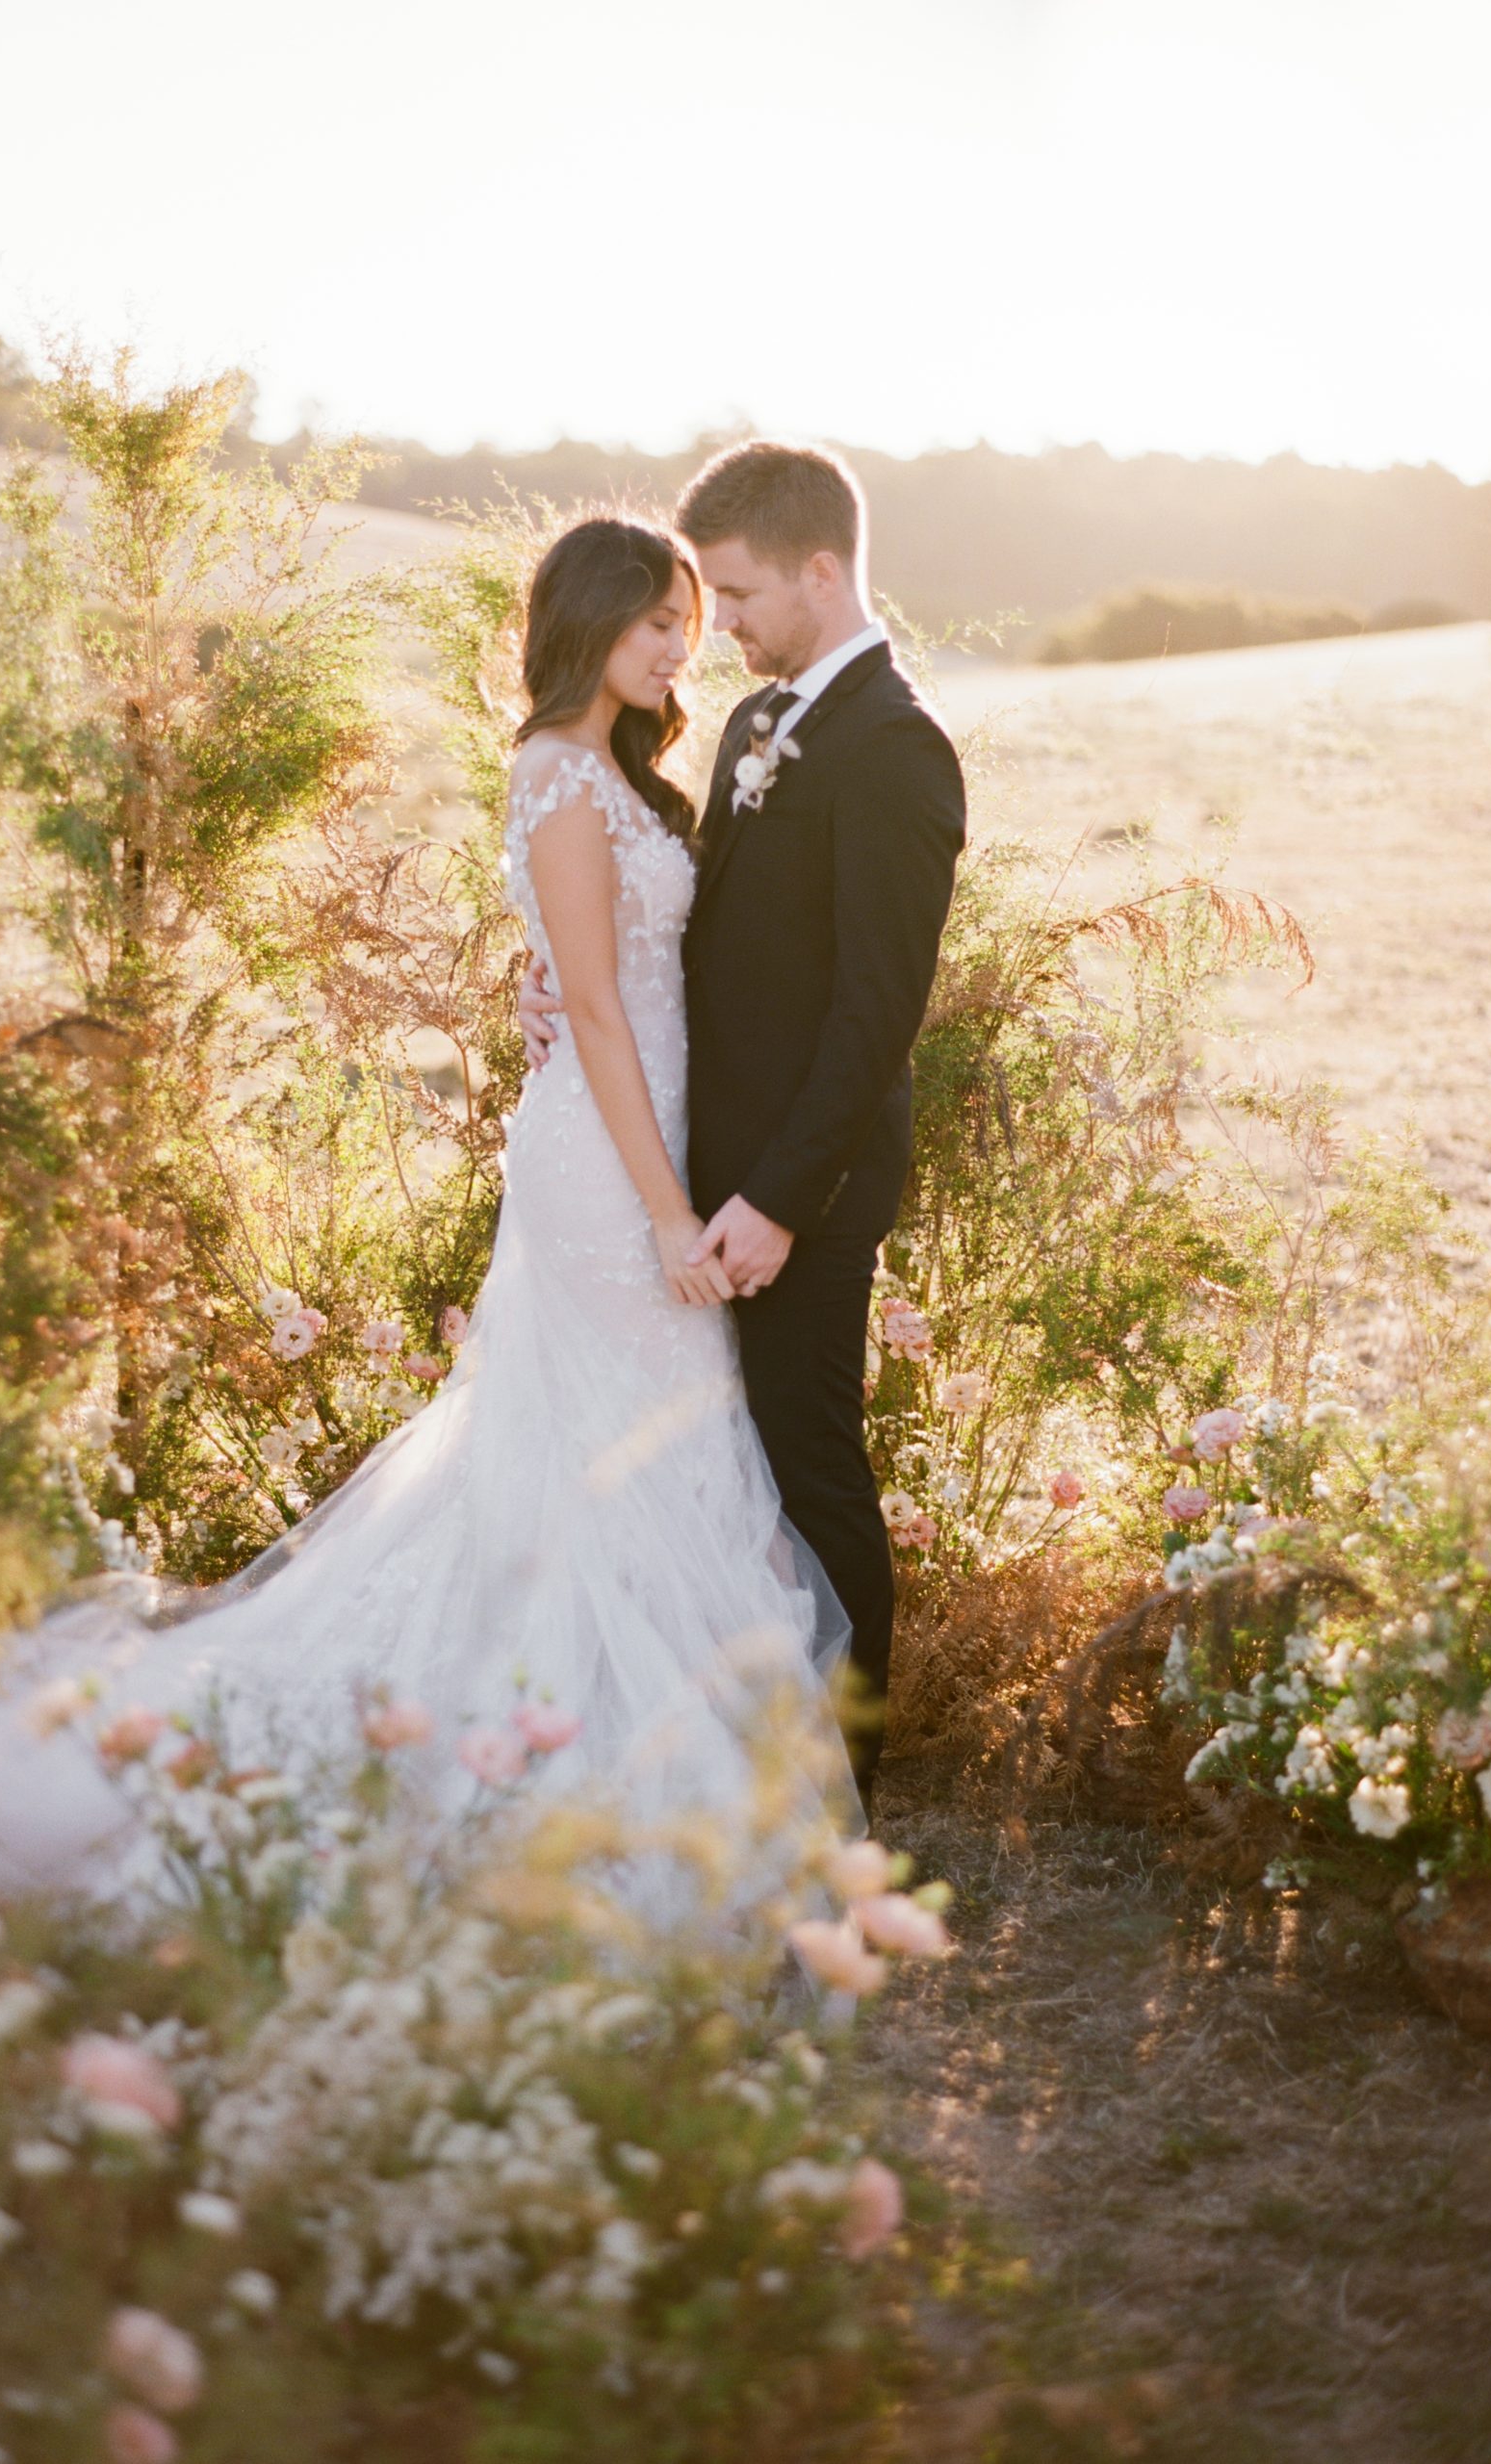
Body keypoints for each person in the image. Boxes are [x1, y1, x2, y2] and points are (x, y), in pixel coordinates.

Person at [0, 516, 857, 1899]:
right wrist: (667, 1212)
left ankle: (602, 1743)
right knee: (622, 1439)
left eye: (689, 622)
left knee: (638, 1437)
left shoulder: (623, 773)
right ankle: (564, 1756)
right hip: (607, 1167)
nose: (682, 645)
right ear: (590, 622)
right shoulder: (556, 773)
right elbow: (595, 1008)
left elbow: (612, 974)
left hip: (649, 1127)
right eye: (658, 619)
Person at [522, 444, 965, 1802]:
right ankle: (723, 1763)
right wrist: (565, 980)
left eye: (741, 595)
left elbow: (873, 1015)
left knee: (811, 1474)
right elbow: (701, 938)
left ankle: (849, 1783)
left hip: (798, 1198)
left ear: (823, 573)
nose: (726, 630)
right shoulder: (754, 727)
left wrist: (774, 1199)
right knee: (734, 1480)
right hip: (695, 1171)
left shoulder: (897, 750)